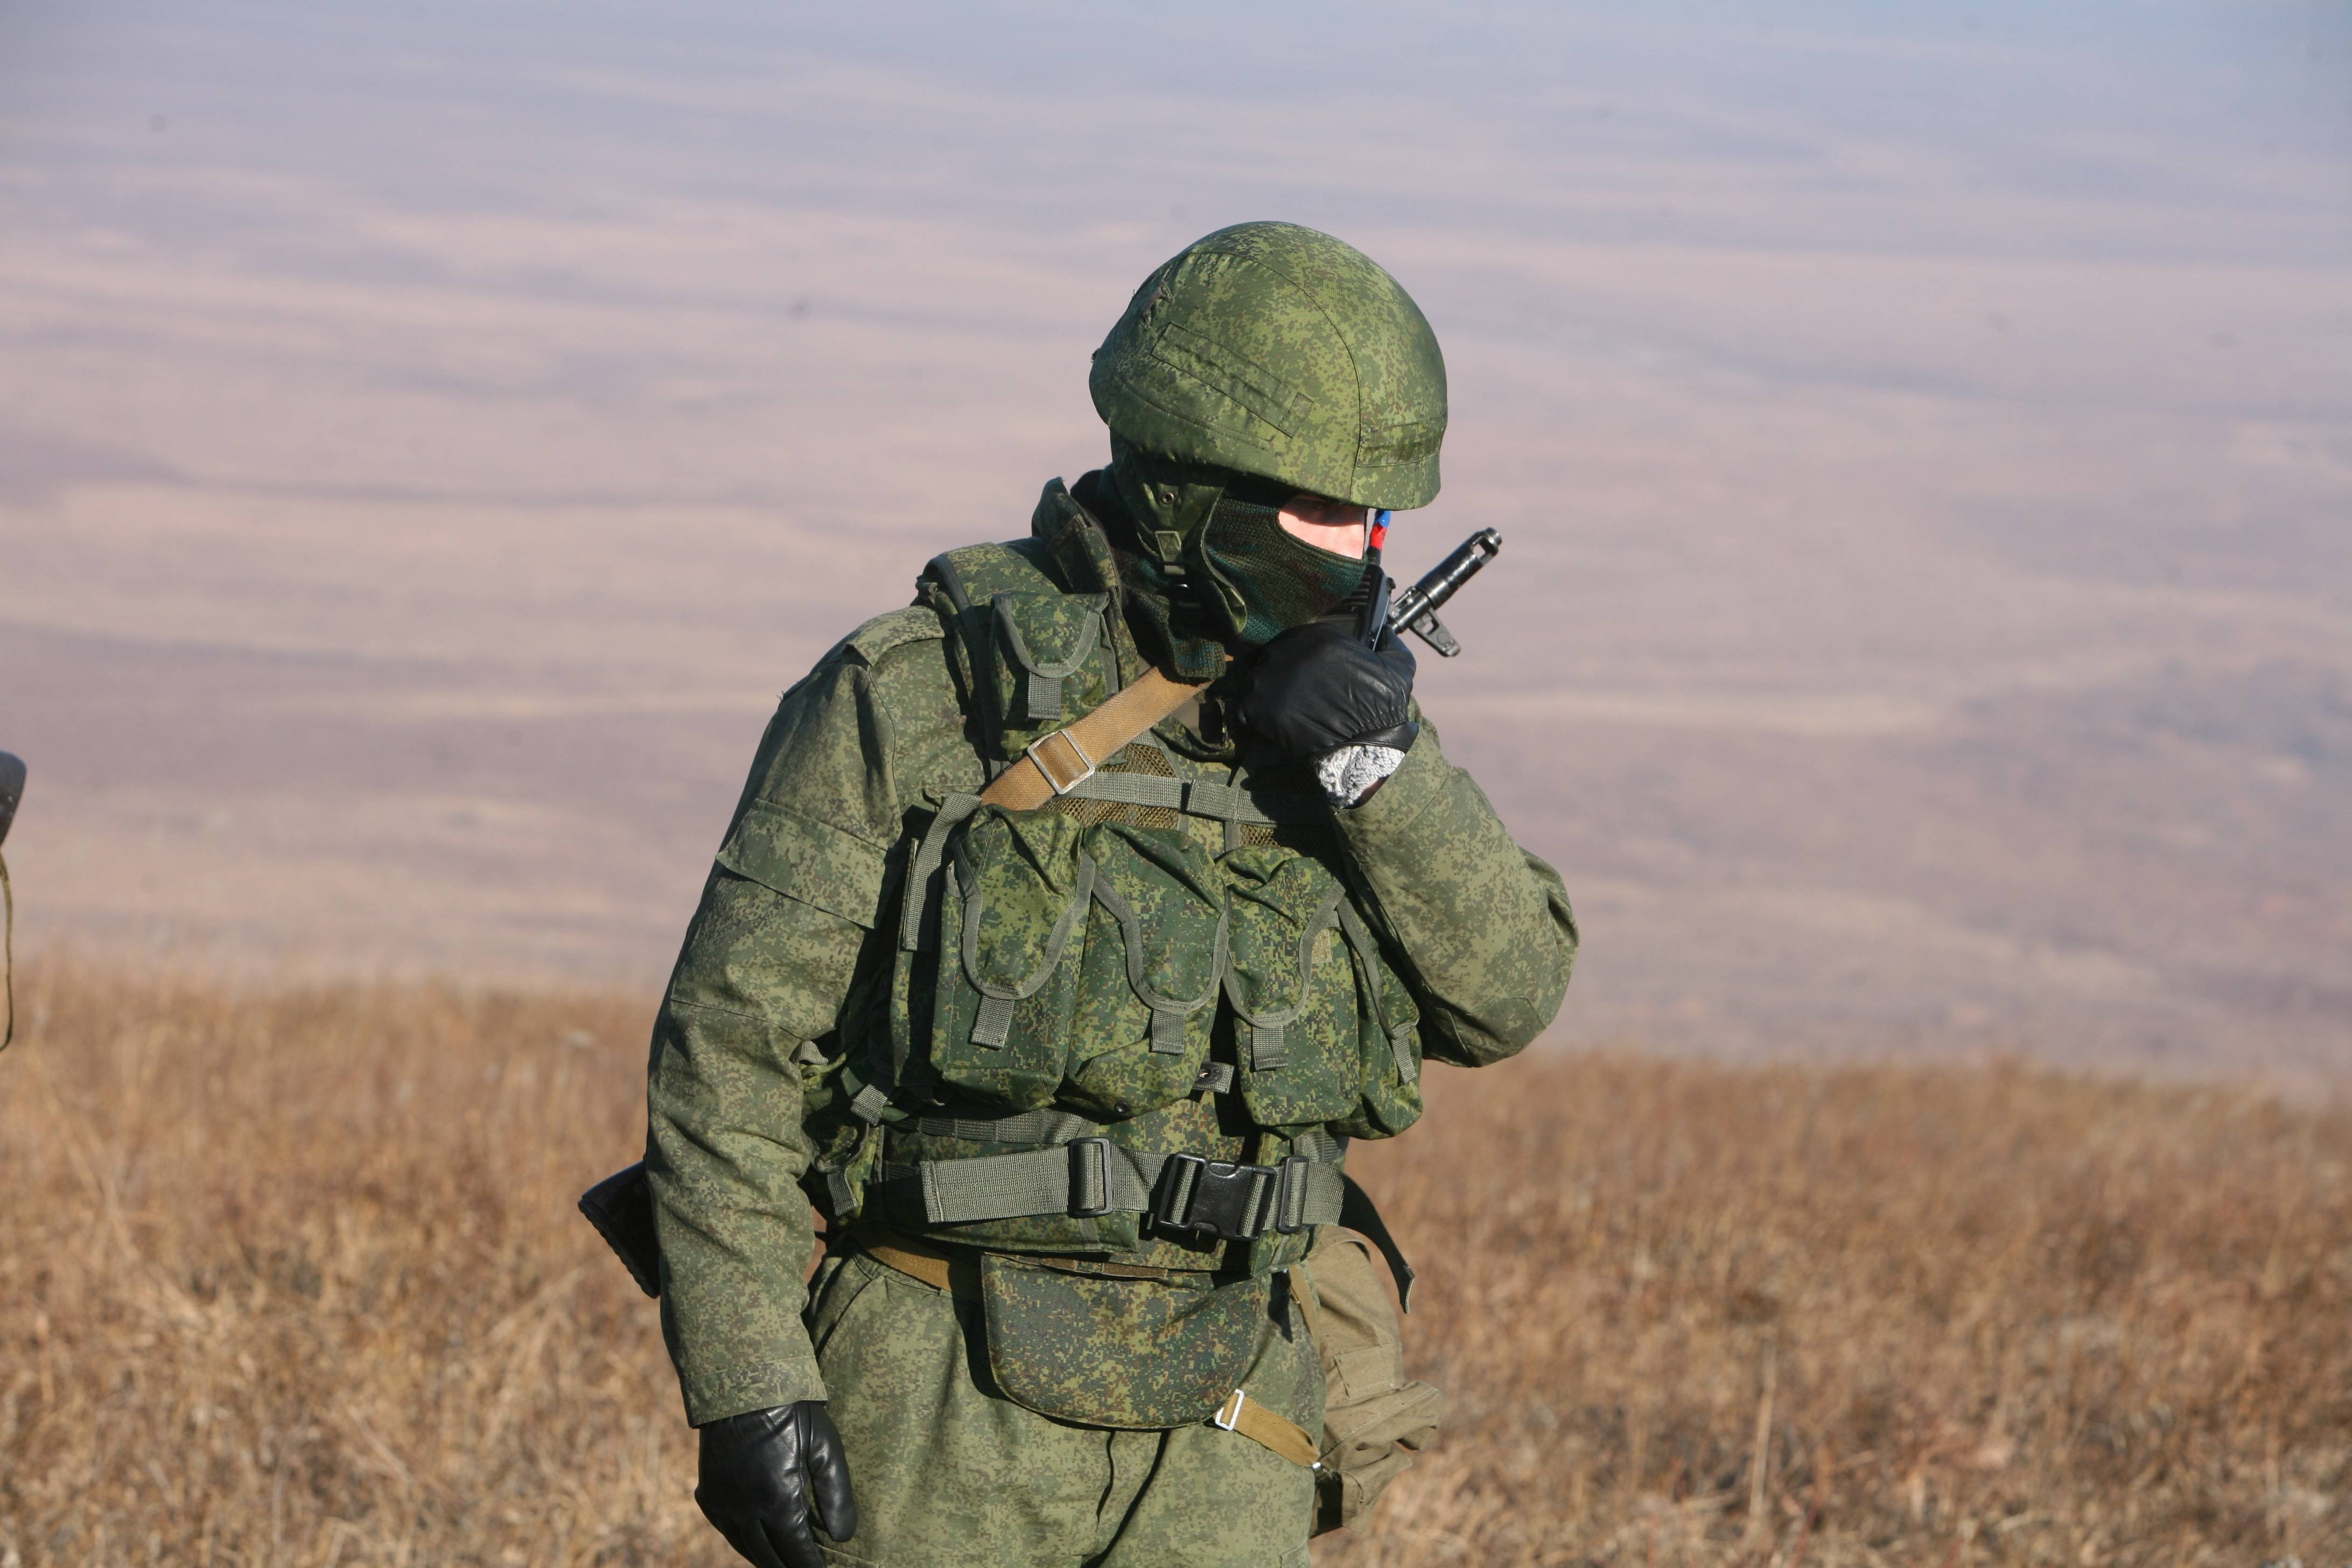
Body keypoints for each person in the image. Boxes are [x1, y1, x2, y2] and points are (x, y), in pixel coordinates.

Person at [644, 221, 1577, 1568]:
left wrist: (1378, 763)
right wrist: (747, 1383)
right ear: (1193, 491)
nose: (1365, 553)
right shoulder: (921, 694)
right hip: (937, 1395)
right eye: (1326, 511)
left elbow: (1511, 994)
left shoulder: (1336, 740)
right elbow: (728, 1051)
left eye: (1382, 520)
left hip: (1229, 1420)